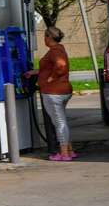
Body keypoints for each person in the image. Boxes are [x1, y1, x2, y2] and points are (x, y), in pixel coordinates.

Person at [24, 26, 75, 161]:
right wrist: (33, 72)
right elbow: (49, 67)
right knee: (62, 121)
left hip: (53, 92)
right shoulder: (59, 49)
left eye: (45, 37)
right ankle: (70, 150)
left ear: (49, 37)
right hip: (63, 90)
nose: (44, 39)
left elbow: (61, 65)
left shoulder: (54, 51)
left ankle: (63, 154)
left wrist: (51, 78)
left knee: (59, 123)